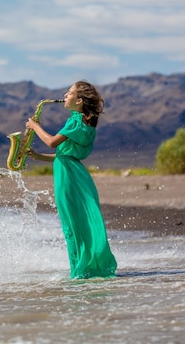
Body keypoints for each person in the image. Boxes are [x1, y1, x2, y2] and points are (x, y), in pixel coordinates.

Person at [25, 81, 117, 279]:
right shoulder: (82, 122)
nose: (64, 96)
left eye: (69, 93)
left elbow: (51, 143)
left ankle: (79, 273)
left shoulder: (75, 122)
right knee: (77, 224)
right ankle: (83, 270)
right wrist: (35, 156)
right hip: (73, 172)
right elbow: (65, 156)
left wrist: (35, 126)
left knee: (72, 226)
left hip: (69, 177)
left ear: (79, 100)